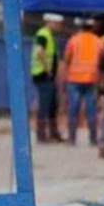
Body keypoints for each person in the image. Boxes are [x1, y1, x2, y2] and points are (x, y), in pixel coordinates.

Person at [63, 18, 104, 145]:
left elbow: (66, 59)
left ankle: (71, 138)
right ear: (92, 28)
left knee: (73, 109)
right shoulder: (99, 42)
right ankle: (93, 139)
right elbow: (103, 62)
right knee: (91, 110)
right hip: (91, 80)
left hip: (74, 79)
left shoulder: (73, 40)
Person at [30, 13, 65, 143]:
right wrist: (48, 68)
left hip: (47, 76)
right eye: (57, 23)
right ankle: (41, 135)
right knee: (45, 105)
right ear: (49, 22)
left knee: (52, 104)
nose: (59, 26)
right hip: (42, 74)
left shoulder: (48, 35)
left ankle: (53, 133)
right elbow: (39, 52)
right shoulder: (43, 34)